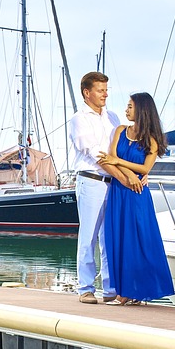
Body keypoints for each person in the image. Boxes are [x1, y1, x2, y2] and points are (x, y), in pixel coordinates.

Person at [97, 93, 175, 304]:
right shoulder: (121, 130)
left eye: (130, 106)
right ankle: (123, 292)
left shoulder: (151, 140)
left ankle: (137, 292)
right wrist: (129, 174)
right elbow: (109, 158)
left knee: (139, 241)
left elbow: (145, 168)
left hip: (137, 194)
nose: (126, 110)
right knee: (118, 239)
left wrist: (122, 164)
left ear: (141, 110)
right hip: (119, 190)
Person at [67, 71, 121, 305]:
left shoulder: (113, 117)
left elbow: (118, 151)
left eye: (106, 90)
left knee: (109, 237)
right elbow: (97, 154)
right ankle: (85, 288)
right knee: (88, 236)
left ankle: (110, 288)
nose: (105, 94)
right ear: (87, 93)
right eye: (100, 90)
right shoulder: (79, 119)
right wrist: (126, 176)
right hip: (91, 180)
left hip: (114, 182)